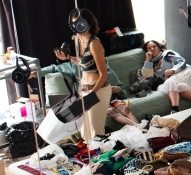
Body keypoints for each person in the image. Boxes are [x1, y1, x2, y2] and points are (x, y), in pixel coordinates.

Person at [35, 42, 124, 106]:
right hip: (90, 101)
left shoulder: (108, 72)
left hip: (109, 100)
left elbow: (124, 94)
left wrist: (120, 90)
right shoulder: (76, 67)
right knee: (111, 111)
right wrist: (36, 73)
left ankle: (137, 127)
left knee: (125, 110)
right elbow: (53, 68)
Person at [71, 8, 112, 139]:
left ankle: (103, 158)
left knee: (96, 131)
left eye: (80, 23)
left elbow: (103, 74)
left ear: (88, 24)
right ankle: (91, 159)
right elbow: (83, 62)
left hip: (98, 90)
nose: (77, 27)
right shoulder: (78, 40)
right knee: (85, 132)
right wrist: (67, 58)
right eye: (74, 24)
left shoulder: (95, 43)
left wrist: (92, 95)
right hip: (84, 90)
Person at [141, 40, 191, 114]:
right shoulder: (150, 63)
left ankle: (175, 109)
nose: (152, 49)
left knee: (175, 83)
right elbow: (147, 76)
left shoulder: (167, 54)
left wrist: (173, 70)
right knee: (176, 85)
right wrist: (148, 60)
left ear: (159, 47)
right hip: (166, 83)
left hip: (179, 75)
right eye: (149, 48)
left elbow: (181, 61)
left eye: (154, 46)